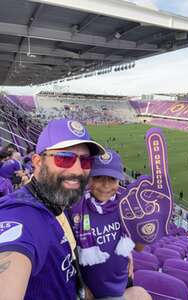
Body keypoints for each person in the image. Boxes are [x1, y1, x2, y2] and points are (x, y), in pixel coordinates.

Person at [0, 118, 105, 300]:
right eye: (65, 159)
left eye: (86, 161)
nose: (78, 170)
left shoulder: (56, 199)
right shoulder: (19, 215)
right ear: (37, 162)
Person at [72, 149, 151, 300]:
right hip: (91, 289)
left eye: (112, 179)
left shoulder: (127, 206)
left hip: (122, 282)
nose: (105, 185)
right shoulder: (76, 208)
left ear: (119, 180)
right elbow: (68, 253)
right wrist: (79, 284)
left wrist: (143, 224)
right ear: (89, 178)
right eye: (98, 177)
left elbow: (139, 248)